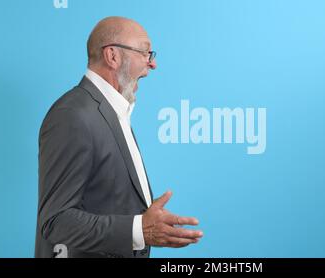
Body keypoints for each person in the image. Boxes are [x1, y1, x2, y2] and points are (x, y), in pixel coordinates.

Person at [35, 16, 203, 258]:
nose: (152, 64)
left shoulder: (112, 111)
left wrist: (144, 219)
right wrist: (139, 230)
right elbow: (56, 221)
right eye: (146, 53)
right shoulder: (72, 115)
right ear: (112, 56)